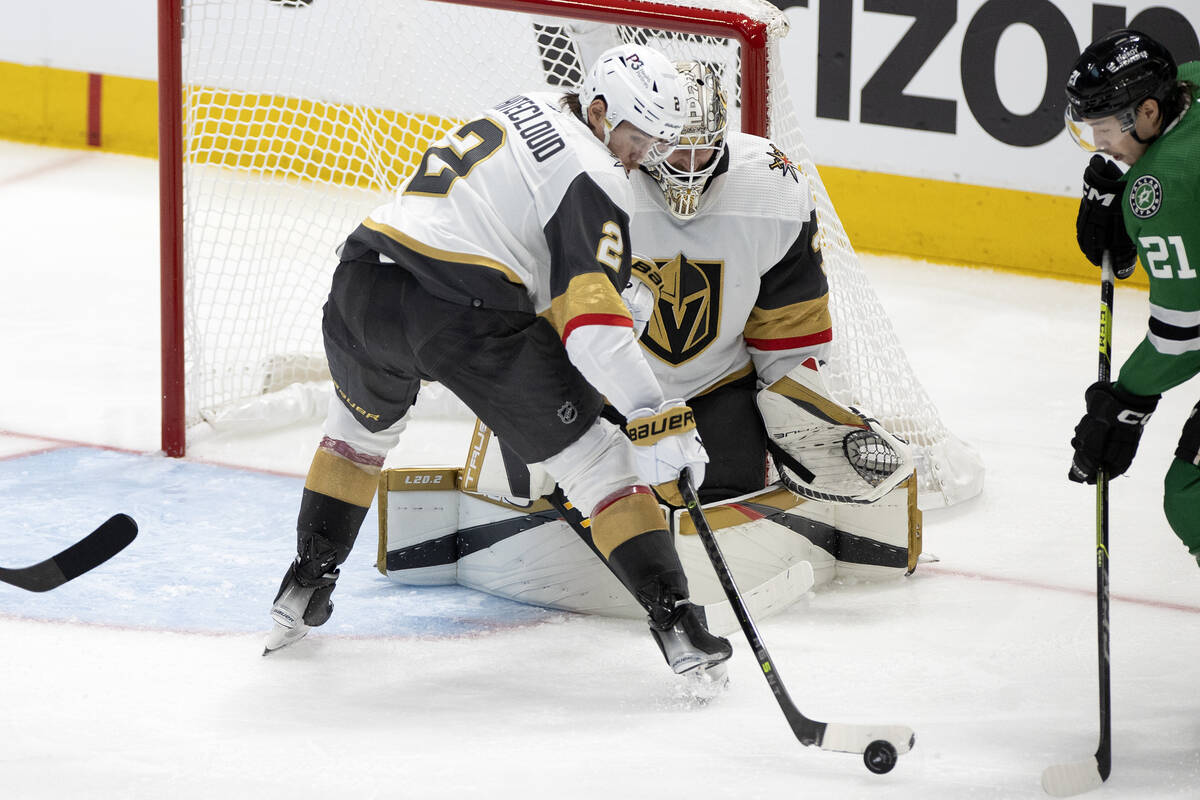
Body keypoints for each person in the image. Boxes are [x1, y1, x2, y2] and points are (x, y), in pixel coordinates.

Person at [265, 43, 736, 678]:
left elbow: (507, 227)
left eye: (655, 142)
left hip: (362, 284)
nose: (641, 154)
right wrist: (657, 415)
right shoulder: (593, 176)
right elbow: (592, 335)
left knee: (356, 433)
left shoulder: (527, 106)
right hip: (459, 311)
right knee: (600, 460)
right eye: (634, 136)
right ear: (598, 111)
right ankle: (679, 626)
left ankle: (303, 587)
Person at [1064, 28, 1200, 568]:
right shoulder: (1187, 83)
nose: (1098, 143)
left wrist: (1125, 403)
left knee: (1191, 494)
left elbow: (1182, 336)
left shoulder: (1162, 185)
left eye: (1104, 128)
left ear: (1148, 113)